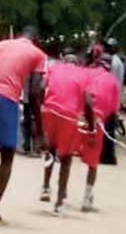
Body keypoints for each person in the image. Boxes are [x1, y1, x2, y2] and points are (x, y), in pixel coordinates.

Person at [0, 26, 47, 224]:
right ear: (35, 39)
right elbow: (34, 93)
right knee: (7, 154)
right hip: (6, 99)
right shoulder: (37, 54)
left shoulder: (0, 45)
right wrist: (39, 130)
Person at [38, 52, 93, 217]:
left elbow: (41, 87)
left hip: (50, 111)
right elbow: (89, 102)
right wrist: (91, 125)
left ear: (64, 60)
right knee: (66, 158)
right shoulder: (83, 74)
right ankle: (59, 202)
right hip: (69, 117)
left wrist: (42, 104)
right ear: (77, 62)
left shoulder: (54, 68)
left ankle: (46, 187)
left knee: (50, 152)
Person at [79, 52, 121, 212]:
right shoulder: (113, 82)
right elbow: (113, 109)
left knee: (65, 157)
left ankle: (56, 192)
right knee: (93, 163)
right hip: (96, 121)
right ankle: (86, 198)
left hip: (77, 117)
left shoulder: (86, 73)